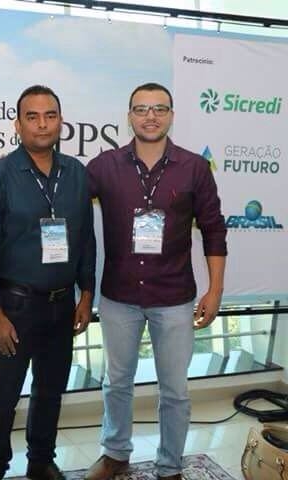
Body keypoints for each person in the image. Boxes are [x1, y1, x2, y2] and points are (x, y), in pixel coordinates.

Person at [85, 82, 227, 480]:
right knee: (117, 382)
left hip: (175, 298)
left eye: (159, 109)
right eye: (142, 109)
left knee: (175, 390)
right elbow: (65, 203)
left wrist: (215, 290)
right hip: (119, 297)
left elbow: (214, 230)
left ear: (171, 115)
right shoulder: (103, 166)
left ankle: (170, 465)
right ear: (129, 116)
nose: (151, 116)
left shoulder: (194, 168)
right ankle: (115, 453)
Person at [0, 85, 96, 480]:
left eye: (50, 116)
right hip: (15, 307)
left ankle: (40, 461)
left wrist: (86, 293)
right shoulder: (0, 175)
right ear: (18, 124)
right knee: (3, 396)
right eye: (32, 116)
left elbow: (86, 238)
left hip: (62, 305)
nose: (42, 124)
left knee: (50, 390)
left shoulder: (76, 173)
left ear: (61, 122)